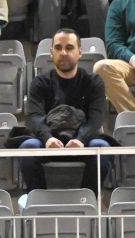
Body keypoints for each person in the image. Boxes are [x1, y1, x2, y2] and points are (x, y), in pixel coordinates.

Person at [18, 29, 111, 193]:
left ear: (80, 52)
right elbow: (34, 116)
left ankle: (87, 199)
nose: (63, 53)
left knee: (100, 148)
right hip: (47, 141)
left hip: (82, 141)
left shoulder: (93, 82)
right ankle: (38, 200)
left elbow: (95, 119)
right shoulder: (40, 82)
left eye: (69, 48)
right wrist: (47, 139)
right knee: (28, 147)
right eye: (58, 48)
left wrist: (81, 139)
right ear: (51, 52)